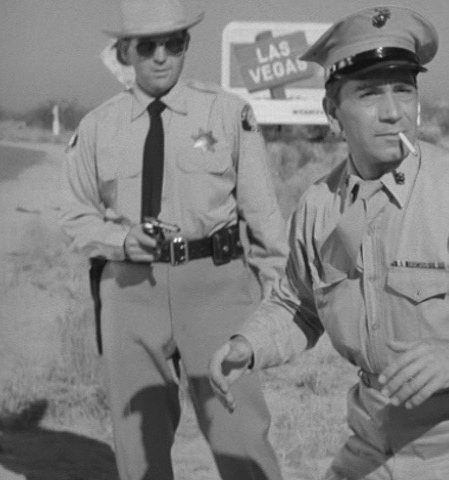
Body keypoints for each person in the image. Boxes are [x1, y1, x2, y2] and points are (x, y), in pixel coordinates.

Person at [209, 6, 449, 480]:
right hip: (374, 437)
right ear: (333, 114)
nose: (394, 112)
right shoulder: (320, 206)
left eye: (404, 89)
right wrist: (249, 345)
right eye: (370, 94)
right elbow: (299, 307)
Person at [60, 0, 287, 478]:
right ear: (126, 51)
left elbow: (263, 214)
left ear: (186, 45)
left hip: (217, 286)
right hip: (129, 293)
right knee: (138, 445)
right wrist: (121, 240)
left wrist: (277, 299)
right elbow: (76, 218)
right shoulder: (98, 127)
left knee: (240, 433)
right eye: (148, 46)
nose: (161, 56)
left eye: (174, 43)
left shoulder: (228, 113)